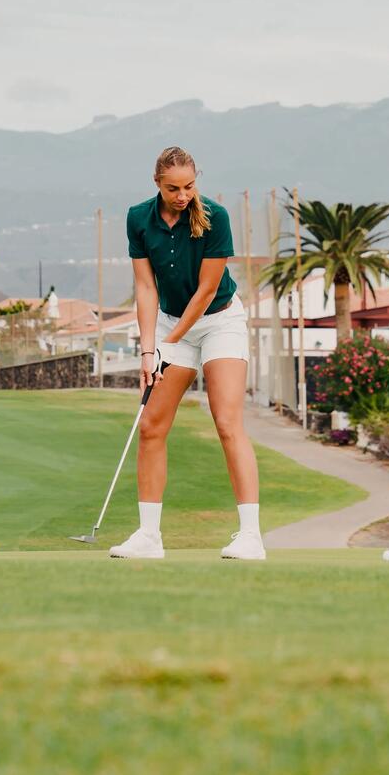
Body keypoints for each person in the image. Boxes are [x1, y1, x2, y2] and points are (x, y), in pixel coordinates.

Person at [109, 146, 265, 561]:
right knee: (151, 426)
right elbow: (145, 288)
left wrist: (168, 343)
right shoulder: (138, 218)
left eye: (189, 186)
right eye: (173, 188)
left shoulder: (215, 217)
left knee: (227, 420)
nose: (183, 195)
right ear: (157, 184)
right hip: (168, 321)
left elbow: (206, 292)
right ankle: (148, 536)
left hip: (219, 321)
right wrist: (148, 350)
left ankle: (251, 536)